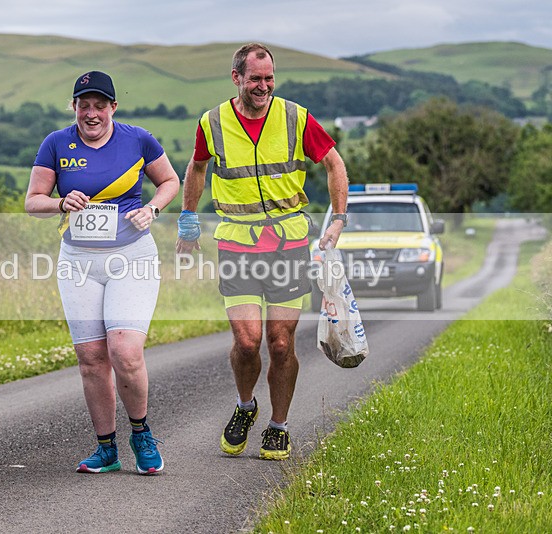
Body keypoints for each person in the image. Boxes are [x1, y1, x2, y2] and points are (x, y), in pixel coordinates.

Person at [176, 43, 348, 460]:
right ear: (236, 78)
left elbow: (334, 164)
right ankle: (246, 406)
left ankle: (279, 426)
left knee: (282, 344)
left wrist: (339, 218)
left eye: (269, 79)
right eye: (256, 79)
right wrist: (188, 218)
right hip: (237, 243)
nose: (264, 86)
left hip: (288, 245)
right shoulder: (212, 121)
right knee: (249, 341)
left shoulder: (295, 117)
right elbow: (197, 168)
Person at [25, 70, 179, 475]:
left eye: (99, 105)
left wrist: (153, 209)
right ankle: (106, 448)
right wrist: (60, 204)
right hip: (78, 263)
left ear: (113, 107)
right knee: (92, 357)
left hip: (131, 256)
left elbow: (169, 181)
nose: (91, 113)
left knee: (125, 350)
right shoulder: (56, 143)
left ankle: (141, 433)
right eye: (83, 105)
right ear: (73, 106)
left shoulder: (138, 139)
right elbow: (32, 201)